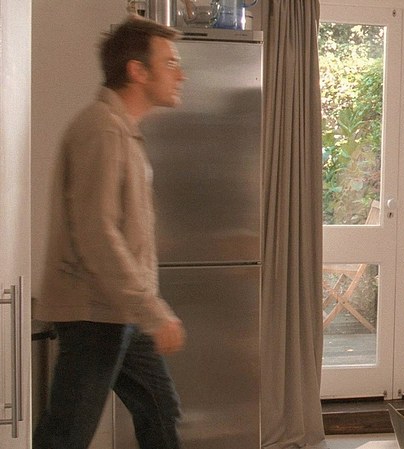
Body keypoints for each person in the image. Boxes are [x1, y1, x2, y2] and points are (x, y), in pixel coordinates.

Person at [33, 17, 187, 449]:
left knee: (160, 411)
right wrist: (153, 311)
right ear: (138, 71)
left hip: (119, 309)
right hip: (93, 311)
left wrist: (145, 308)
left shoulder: (121, 129)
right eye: (170, 63)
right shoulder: (101, 129)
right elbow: (97, 234)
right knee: (67, 434)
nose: (181, 75)